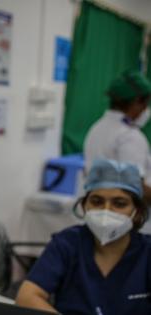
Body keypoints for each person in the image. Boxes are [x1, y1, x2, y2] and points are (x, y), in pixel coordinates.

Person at [16, 159, 151, 315]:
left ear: (137, 212)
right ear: (84, 205)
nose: (106, 211)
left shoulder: (146, 253)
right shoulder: (67, 244)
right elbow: (27, 296)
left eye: (119, 203)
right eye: (97, 201)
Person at [84, 70, 151, 204]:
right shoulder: (129, 137)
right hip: (128, 214)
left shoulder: (97, 127)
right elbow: (137, 189)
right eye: (146, 104)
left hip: (101, 206)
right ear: (137, 102)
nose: (146, 109)